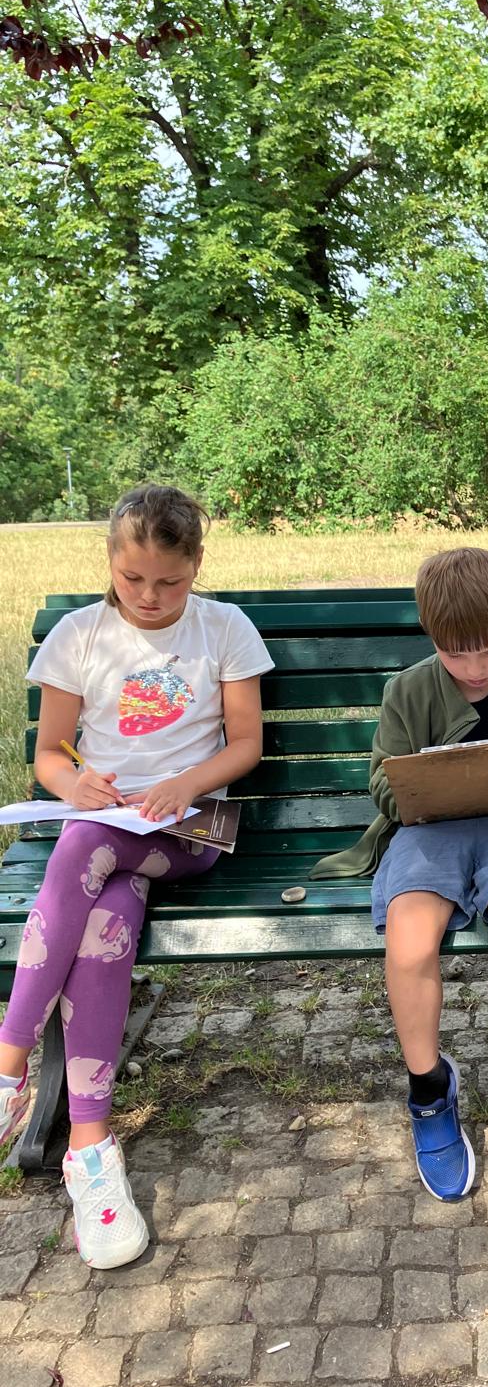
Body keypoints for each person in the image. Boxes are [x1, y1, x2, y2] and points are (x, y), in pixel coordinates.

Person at [0, 485, 272, 1267]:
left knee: (84, 849)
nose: (150, 597)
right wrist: (74, 782)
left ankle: (9, 1062)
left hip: (189, 829)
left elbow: (245, 744)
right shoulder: (80, 635)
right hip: (105, 834)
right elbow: (49, 755)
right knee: (106, 919)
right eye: (133, 579)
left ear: (197, 566)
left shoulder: (224, 629)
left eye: (169, 582)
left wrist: (187, 783)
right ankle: (90, 1148)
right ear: (111, 563)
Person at [312, 547, 488, 1201]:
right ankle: (429, 1090)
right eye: (456, 653)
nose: (474, 668)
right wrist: (416, 786)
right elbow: (383, 784)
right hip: (429, 832)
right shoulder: (407, 690)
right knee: (410, 943)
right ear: (429, 634)